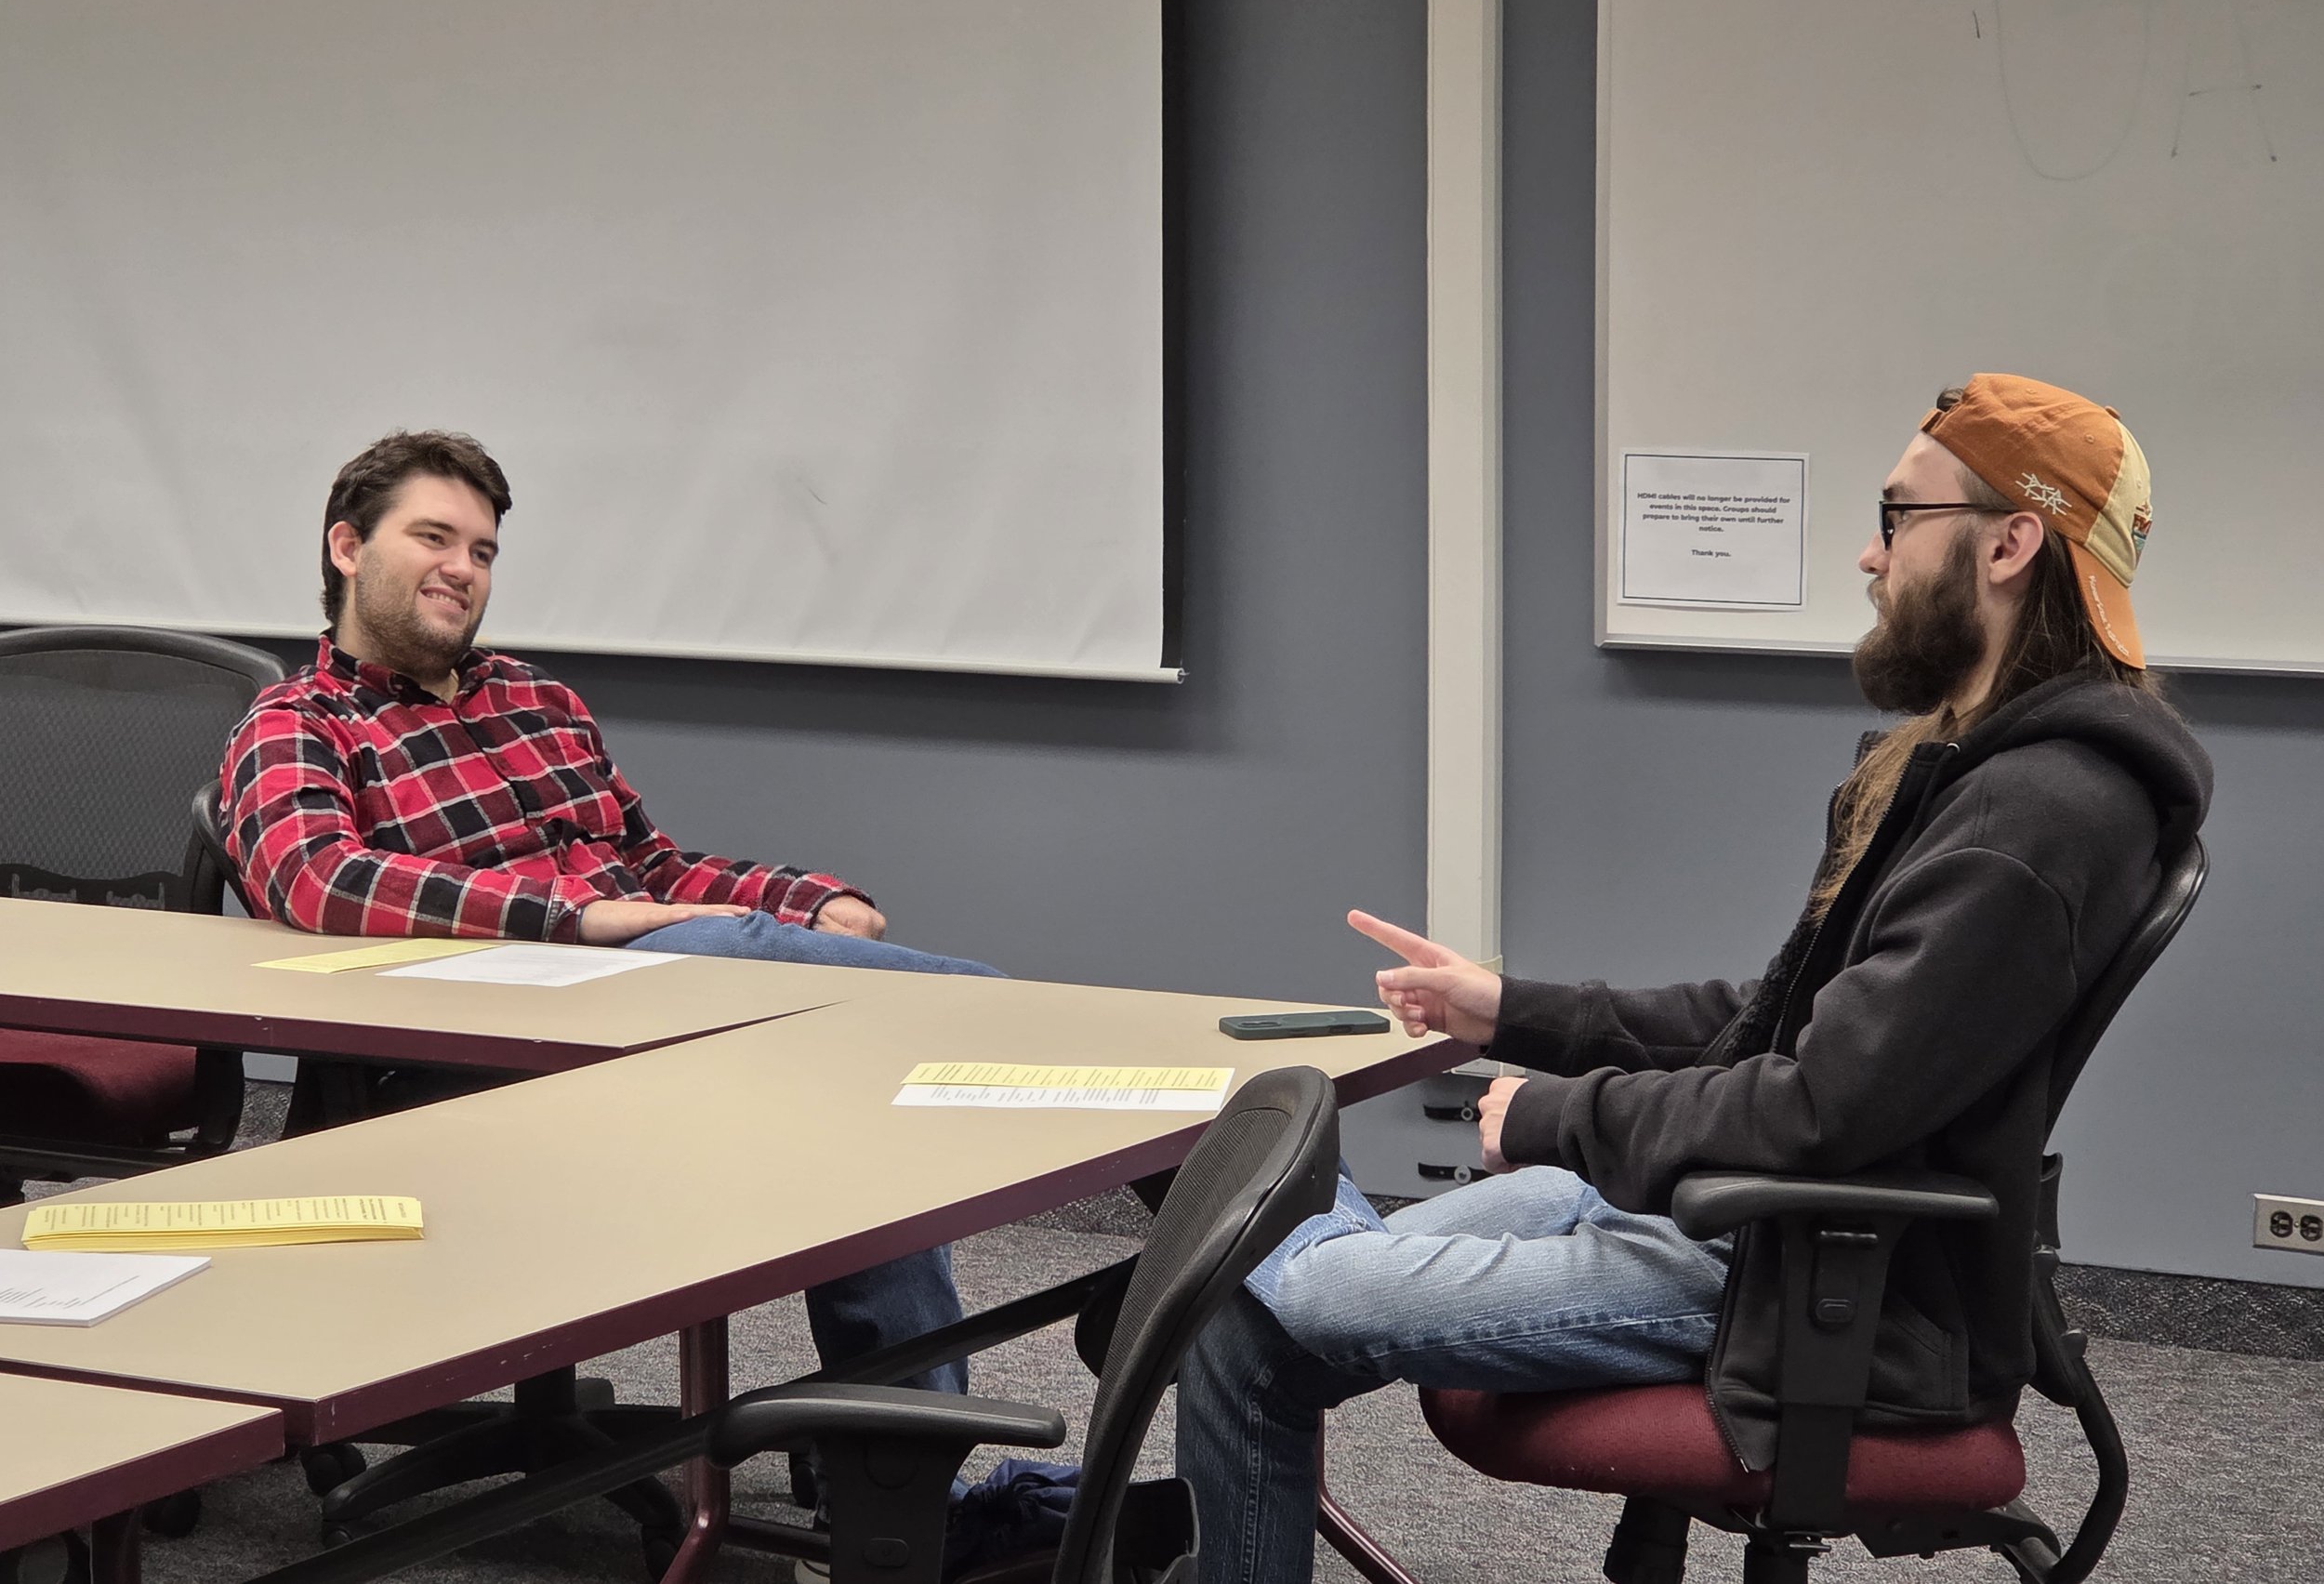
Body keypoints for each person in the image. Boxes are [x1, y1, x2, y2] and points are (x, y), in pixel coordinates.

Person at [1177, 374, 2213, 1584]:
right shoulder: (1962, 768)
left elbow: (1822, 1107)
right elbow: (1766, 1024)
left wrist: (1564, 1116)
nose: (1870, 555)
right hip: (1730, 1214)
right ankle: (1233, 1214)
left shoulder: (2032, 816)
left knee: (1262, 1262)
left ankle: (1226, 1196)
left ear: (2010, 538)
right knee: (1249, 1313)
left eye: (1898, 511)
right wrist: (1515, 1012)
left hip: (1805, 1278)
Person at [219, 429, 996, 1393]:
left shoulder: (536, 697)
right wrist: (569, 919)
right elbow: (317, 878)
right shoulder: (299, 719)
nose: (462, 569)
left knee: (845, 1077)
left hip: (643, 1009)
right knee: (742, 956)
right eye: (434, 538)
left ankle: (895, 1494)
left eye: (483, 551)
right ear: (348, 547)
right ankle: (1041, 1027)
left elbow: (648, 866)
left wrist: (803, 900)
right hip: (478, 1052)